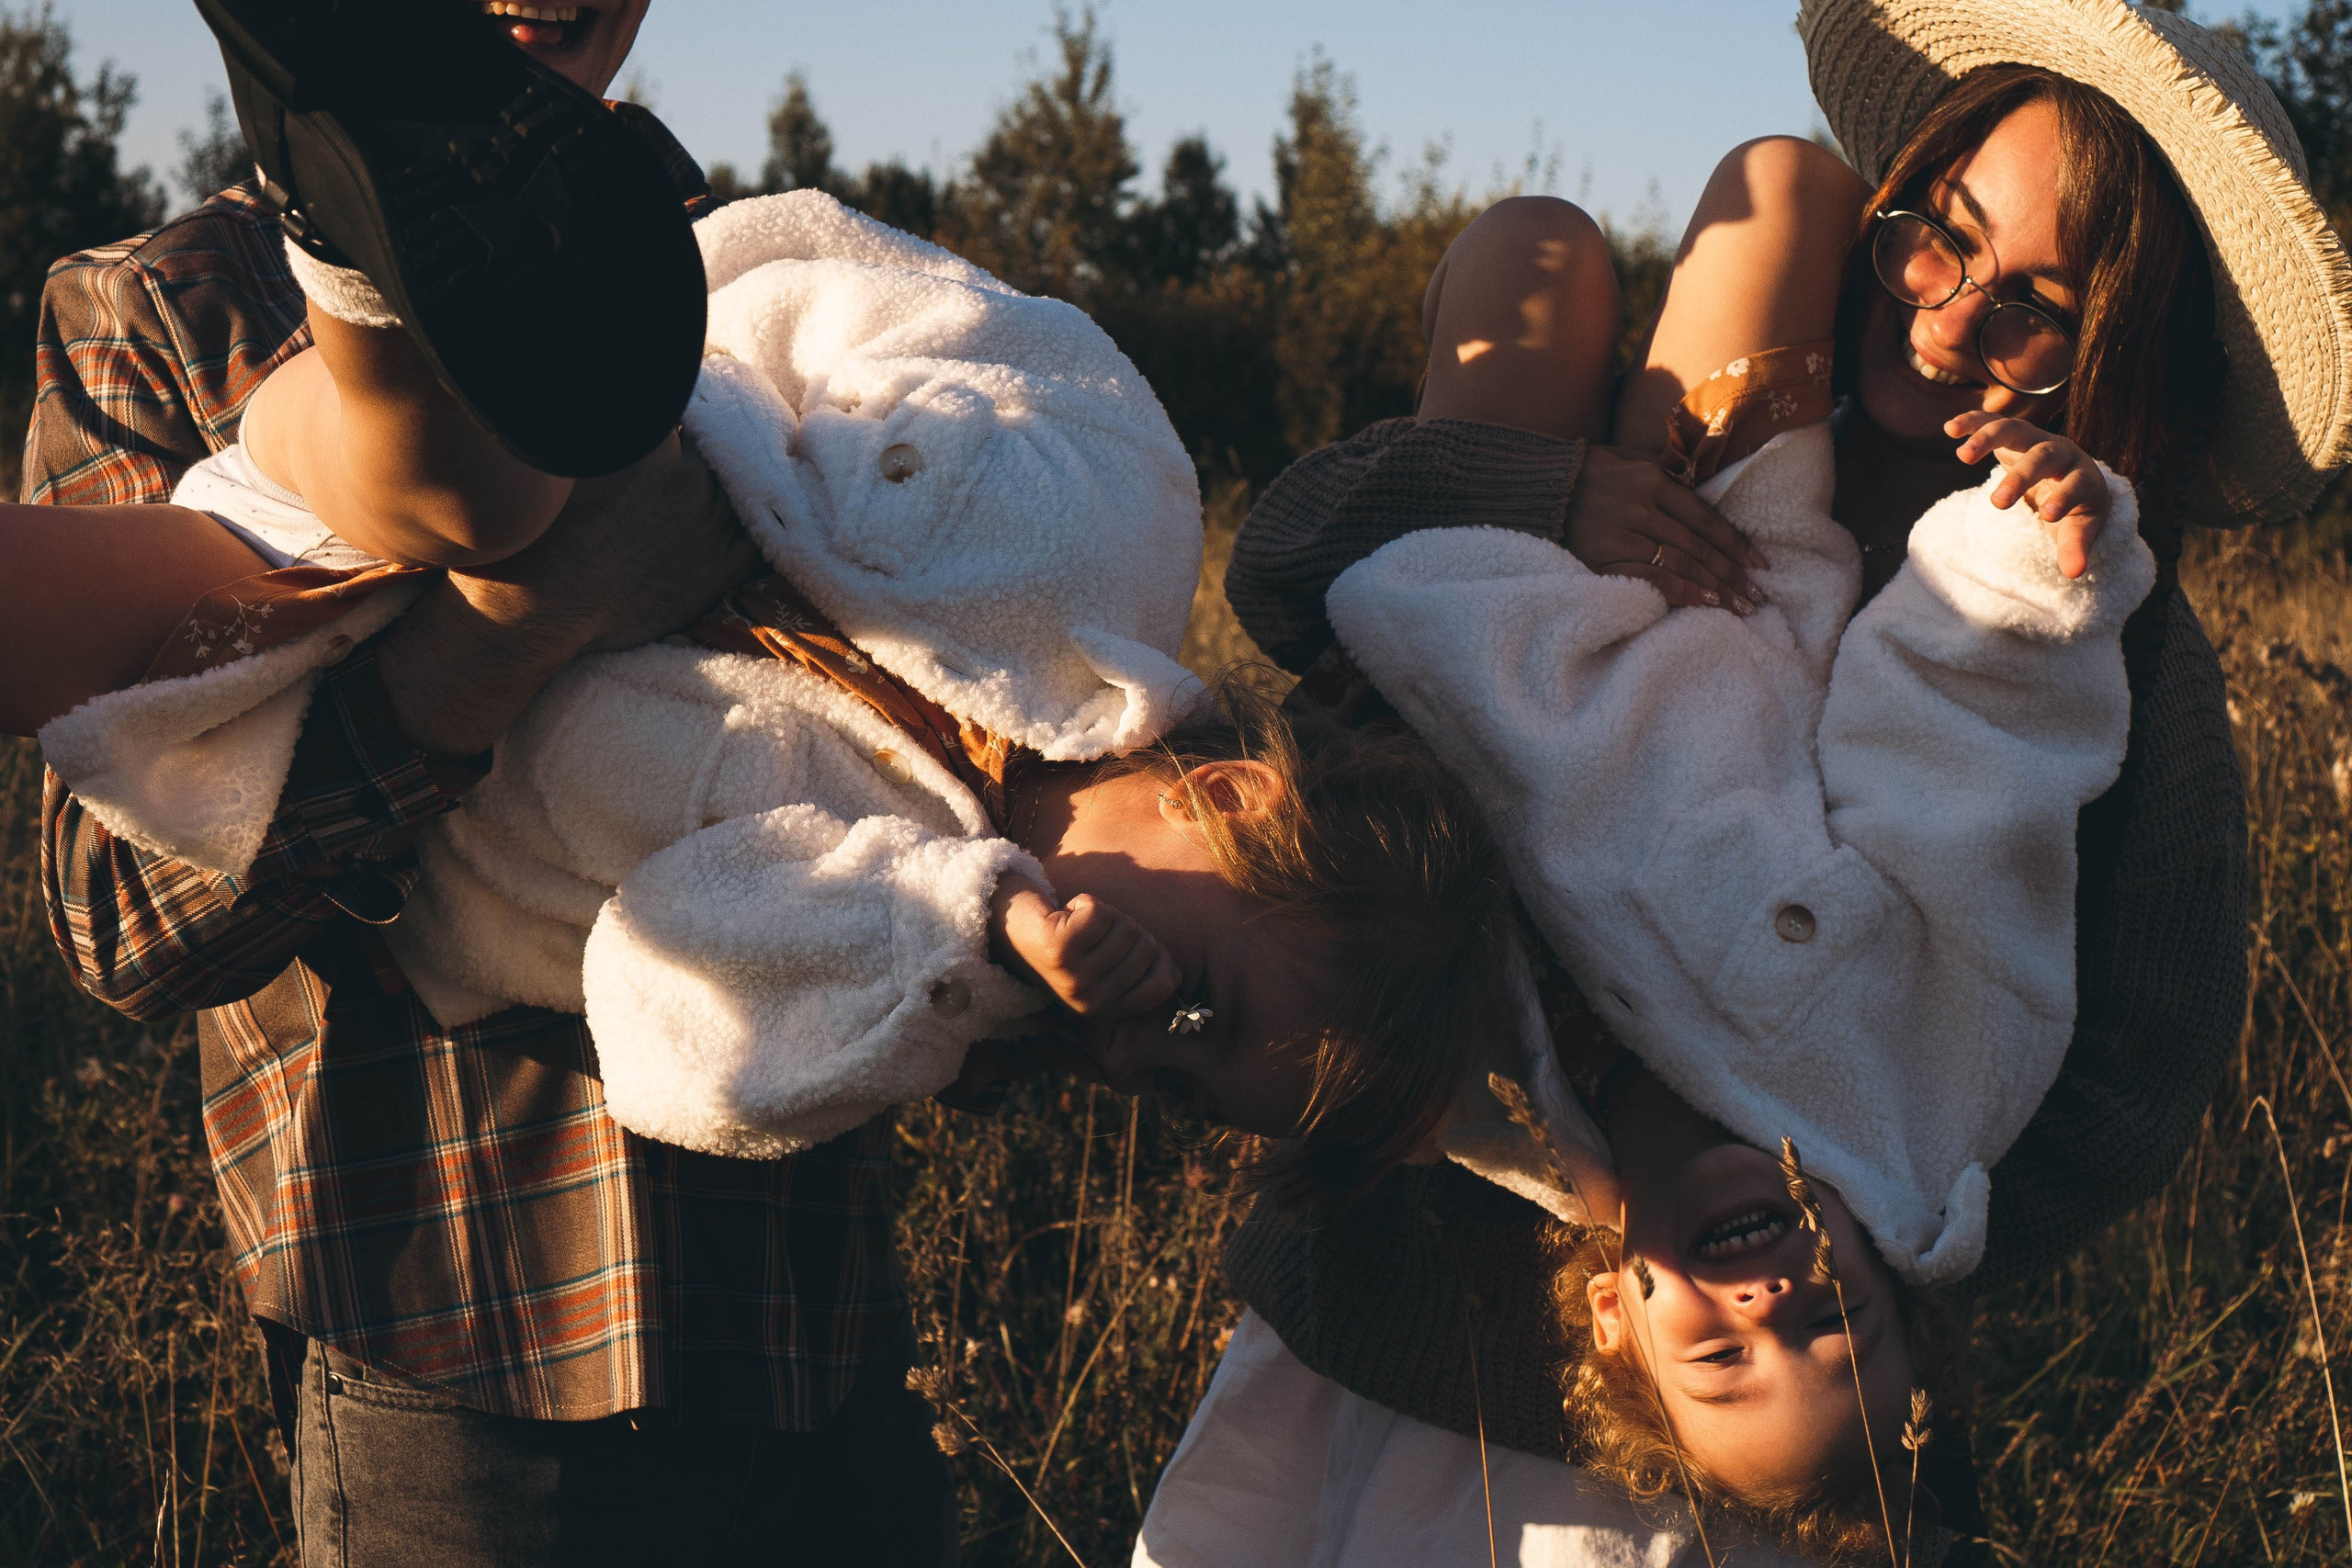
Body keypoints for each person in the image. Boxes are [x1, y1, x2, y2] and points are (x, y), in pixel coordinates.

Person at [1142, 0, 2350, 1562]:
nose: (1945, 322)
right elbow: (1286, 565)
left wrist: (1853, 1221)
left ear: (2119, 349)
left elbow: (2135, 1088)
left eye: (2035, 310)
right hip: (1386, 1308)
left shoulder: (2107, 626)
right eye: (1939, 235)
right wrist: (1548, 491)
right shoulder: (1715, 435)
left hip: (1725, 1447)